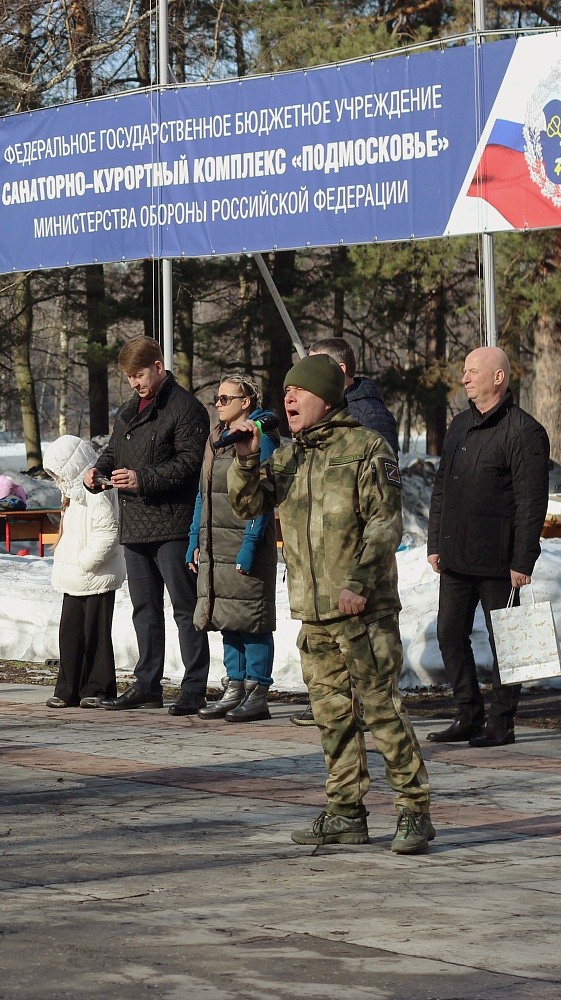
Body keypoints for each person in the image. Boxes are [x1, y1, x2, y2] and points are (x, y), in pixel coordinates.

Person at [227, 353, 433, 855]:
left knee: (382, 711)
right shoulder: (289, 456)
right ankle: (345, 812)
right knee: (332, 716)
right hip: (314, 613)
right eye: (286, 391)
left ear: (325, 396)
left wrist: (359, 583)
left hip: (363, 611)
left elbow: (385, 524)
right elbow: (248, 504)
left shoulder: (366, 448)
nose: (289, 398)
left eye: (299, 390)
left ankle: (414, 810)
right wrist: (247, 458)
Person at [426, 346, 549, 748]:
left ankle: (502, 721)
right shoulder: (459, 425)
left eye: (472, 371)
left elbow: (532, 503)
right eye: (464, 371)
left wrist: (523, 560)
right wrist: (434, 542)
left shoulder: (524, 431)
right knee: (449, 635)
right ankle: (469, 714)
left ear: (498, 377)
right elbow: (442, 487)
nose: (464, 378)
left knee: (508, 643)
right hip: (455, 557)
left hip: (500, 562)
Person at [84, 336, 211, 713]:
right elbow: (113, 451)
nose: (134, 383)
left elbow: (191, 465)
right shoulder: (127, 410)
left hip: (174, 525)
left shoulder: (185, 408)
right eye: (128, 377)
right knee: (144, 609)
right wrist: (96, 473)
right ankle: (147, 684)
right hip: (136, 526)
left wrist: (143, 479)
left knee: (186, 608)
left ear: (158, 366)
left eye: (138, 375)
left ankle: (194, 687)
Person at [291, 337, 399, 728]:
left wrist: (361, 573)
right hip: (324, 567)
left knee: (368, 662)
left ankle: (367, 710)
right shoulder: (321, 418)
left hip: (356, 567)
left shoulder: (367, 417)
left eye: (314, 367)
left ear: (338, 372)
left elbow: (380, 507)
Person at [189, 374, 279, 723]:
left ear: (246, 402)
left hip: (245, 541)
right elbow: (204, 494)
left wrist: (250, 546)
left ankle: (257, 692)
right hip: (217, 544)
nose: (218, 404)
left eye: (226, 398)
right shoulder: (217, 440)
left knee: (252, 619)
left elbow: (264, 499)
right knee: (227, 616)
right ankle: (235, 687)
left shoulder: (260, 439)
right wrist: (195, 539)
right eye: (217, 398)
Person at [45, 435, 124, 709]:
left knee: (96, 636)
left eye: (59, 472)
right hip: (75, 578)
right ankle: (67, 689)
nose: (57, 479)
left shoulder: (97, 489)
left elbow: (108, 530)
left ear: (71, 466)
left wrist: (85, 562)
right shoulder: (71, 494)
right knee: (70, 635)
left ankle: (99, 688)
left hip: (96, 575)